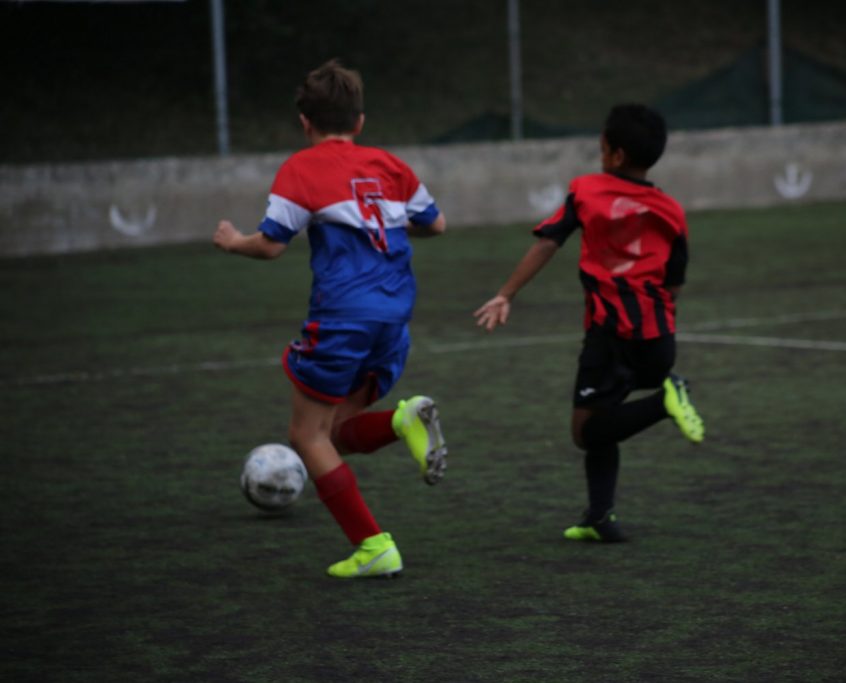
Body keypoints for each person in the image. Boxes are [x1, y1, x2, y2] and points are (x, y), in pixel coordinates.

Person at [214, 59, 448, 578]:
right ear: (360, 122)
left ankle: (373, 546)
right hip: (394, 318)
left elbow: (272, 245)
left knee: (306, 436)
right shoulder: (390, 165)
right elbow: (436, 223)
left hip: (342, 318)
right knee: (335, 433)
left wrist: (233, 243)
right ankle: (401, 421)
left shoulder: (301, 168)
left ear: (305, 123)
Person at [474, 103, 704, 542]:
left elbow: (548, 242)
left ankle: (665, 401)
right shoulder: (671, 210)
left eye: (601, 148)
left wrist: (506, 293)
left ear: (615, 155)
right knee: (607, 413)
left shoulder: (587, 192)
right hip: (659, 338)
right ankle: (600, 517)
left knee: (587, 430)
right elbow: (674, 281)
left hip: (610, 335)